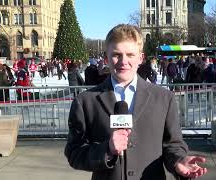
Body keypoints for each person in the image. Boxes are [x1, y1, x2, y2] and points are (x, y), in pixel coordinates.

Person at [65, 24, 207, 180]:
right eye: (116, 54)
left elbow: (172, 144)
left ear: (141, 58)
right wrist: (107, 149)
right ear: (106, 58)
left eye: (130, 54)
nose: (123, 61)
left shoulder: (164, 98)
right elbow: (74, 153)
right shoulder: (85, 102)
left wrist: (178, 161)